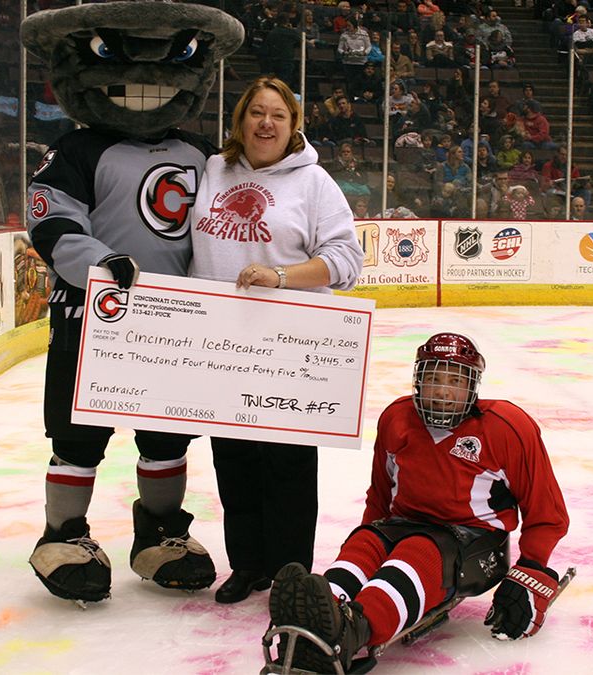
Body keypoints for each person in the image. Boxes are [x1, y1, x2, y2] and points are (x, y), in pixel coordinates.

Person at [20, 2, 243, 604]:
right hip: (90, 318)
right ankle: (63, 534)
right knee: (76, 433)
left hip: (174, 324)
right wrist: (98, 266)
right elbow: (52, 222)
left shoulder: (205, 156)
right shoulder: (75, 151)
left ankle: (161, 534)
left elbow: (230, 224)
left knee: (167, 436)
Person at [266, 333, 570, 673]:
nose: (441, 391)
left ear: (473, 386)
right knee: (366, 542)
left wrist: (531, 568)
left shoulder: (506, 427)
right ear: (417, 380)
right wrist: (366, 534)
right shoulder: (396, 418)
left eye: (454, 380)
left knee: (417, 550)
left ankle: (354, 630)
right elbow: (380, 496)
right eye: (432, 379)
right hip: (404, 525)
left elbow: (547, 511)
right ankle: (315, 625)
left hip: (472, 539)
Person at [187, 76, 364, 604]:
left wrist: (280, 276)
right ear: (240, 121)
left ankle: (289, 573)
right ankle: (246, 565)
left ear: (293, 126)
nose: (266, 123)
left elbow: (346, 262)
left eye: (278, 115)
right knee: (233, 457)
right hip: (219, 342)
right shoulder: (212, 170)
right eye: (256, 112)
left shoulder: (315, 183)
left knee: (286, 464)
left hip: (289, 347)